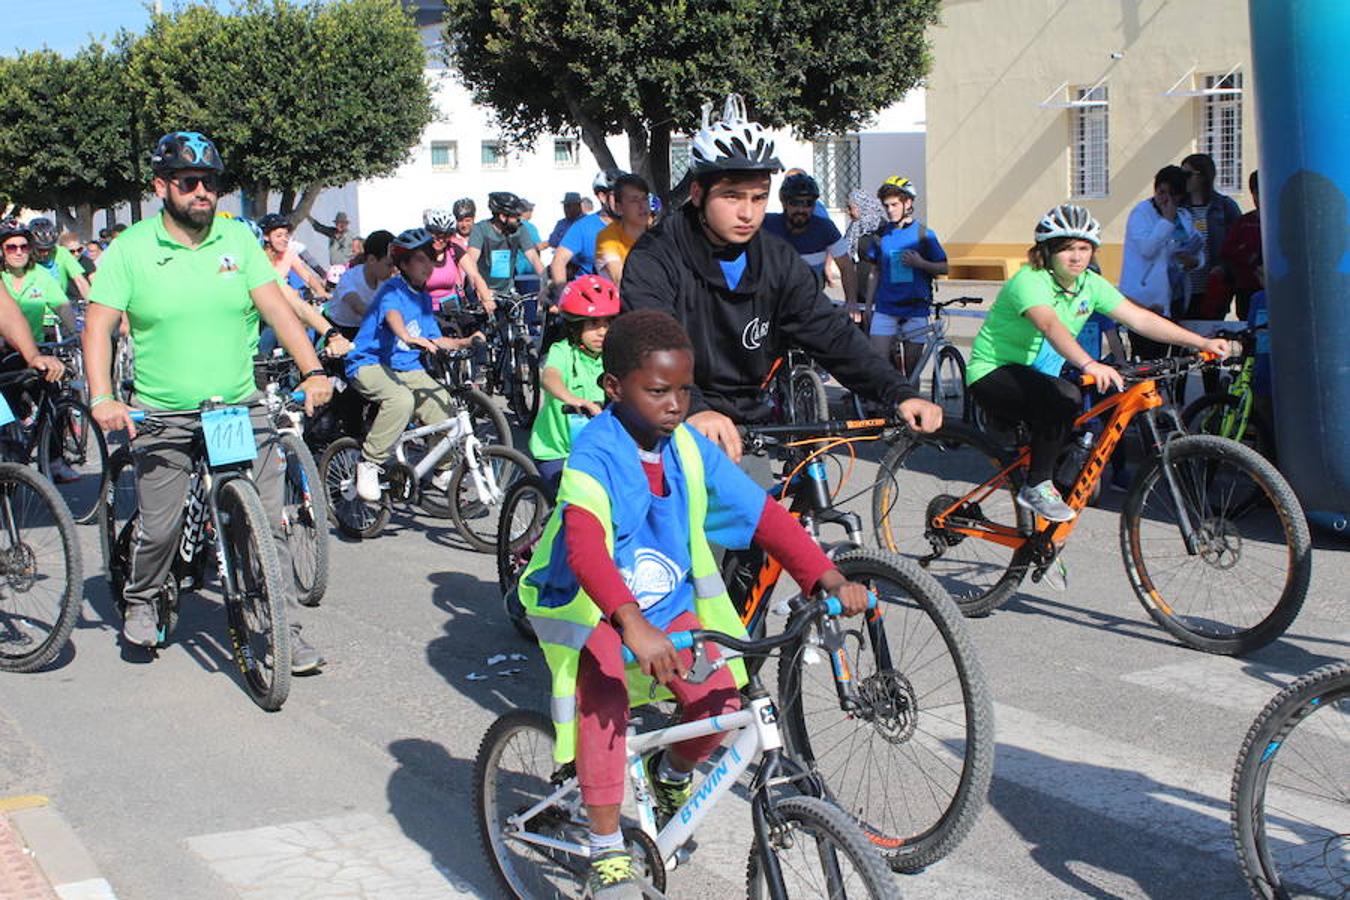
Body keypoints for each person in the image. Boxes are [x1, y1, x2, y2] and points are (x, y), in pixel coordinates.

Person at [517, 309, 871, 898]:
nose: (676, 404)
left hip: (661, 603)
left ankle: (668, 772)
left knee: (718, 699)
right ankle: (606, 852)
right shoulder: (594, 453)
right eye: (658, 391)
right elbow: (584, 551)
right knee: (605, 701)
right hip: (586, 603)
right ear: (613, 388)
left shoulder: (686, 449)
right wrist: (630, 625)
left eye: (684, 389)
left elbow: (763, 516)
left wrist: (825, 576)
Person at [82, 131, 333, 670]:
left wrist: (313, 368)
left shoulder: (237, 241)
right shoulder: (131, 249)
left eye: (211, 183)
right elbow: (98, 327)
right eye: (189, 182)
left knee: (266, 522)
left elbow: (277, 310)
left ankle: (282, 627)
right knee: (162, 526)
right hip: (164, 412)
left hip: (232, 409)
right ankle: (143, 599)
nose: (202, 192)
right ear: (161, 187)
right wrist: (102, 396)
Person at [621, 95, 943, 463]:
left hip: (745, 423)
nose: (748, 213)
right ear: (697, 194)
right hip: (666, 422)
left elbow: (832, 335)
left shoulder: (776, 259)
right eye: (732, 196)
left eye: (759, 198)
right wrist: (693, 408)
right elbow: (647, 344)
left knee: (780, 518)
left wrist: (899, 392)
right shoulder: (656, 256)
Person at [966, 204, 1228, 522]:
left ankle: (1041, 535)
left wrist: (1201, 343)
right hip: (993, 372)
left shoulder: (1089, 284)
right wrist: (1090, 363)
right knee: (1065, 396)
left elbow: (1140, 318)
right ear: (1046, 252)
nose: (1076, 257)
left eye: (1084, 248)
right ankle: (1036, 486)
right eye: (1066, 249)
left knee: (1077, 428)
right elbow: (1050, 325)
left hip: (1039, 377)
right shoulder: (1030, 280)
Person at [344, 228, 479, 502]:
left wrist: (466, 342)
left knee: (444, 405)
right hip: (369, 362)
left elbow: (435, 338)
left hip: (406, 367)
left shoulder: (424, 298)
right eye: (420, 259)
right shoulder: (391, 290)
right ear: (403, 264)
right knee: (401, 400)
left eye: (431, 259)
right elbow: (393, 315)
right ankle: (369, 463)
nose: (428, 265)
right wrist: (406, 336)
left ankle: (442, 471)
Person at [527, 275, 615, 488]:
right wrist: (575, 400)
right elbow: (549, 377)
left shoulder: (614, 354)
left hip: (598, 448)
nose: (602, 332)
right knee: (573, 504)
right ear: (575, 325)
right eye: (593, 324)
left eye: (608, 324)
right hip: (556, 451)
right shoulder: (562, 351)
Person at [864, 176, 949, 376]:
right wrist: (868, 305)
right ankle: (883, 404)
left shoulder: (924, 234)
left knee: (912, 372)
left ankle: (911, 404)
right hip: (886, 308)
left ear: (908, 203)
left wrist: (921, 264)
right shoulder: (881, 234)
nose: (889, 210)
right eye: (886, 206)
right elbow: (874, 271)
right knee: (879, 364)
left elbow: (944, 267)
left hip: (915, 308)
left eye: (894, 204)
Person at [1118, 165, 1203, 359]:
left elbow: (1194, 246)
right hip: (1145, 298)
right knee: (1148, 356)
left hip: (1176, 296)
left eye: (1172, 194)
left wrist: (1195, 261)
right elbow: (1147, 250)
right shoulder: (1142, 213)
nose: (1166, 199)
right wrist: (1166, 220)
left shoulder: (1184, 216)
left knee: (1175, 357)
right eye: (1161, 192)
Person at [761, 172, 855, 301]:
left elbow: (846, 266)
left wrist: (851, 303)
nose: (801, 209)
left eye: (807, 203)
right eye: (794, 203)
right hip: (773, 303)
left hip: (810, 304)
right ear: (784, 203)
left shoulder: (825, 228)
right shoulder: (767, 224)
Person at [462, 192, 548, 315]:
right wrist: (482, 291)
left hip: (507, 292)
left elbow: (534, 257)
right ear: (502, 216)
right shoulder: (480, 230)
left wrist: (546, 281)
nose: (519, 220)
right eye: (516, 217)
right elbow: (471, 262)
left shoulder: (520, 230)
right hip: (482, 291)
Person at [1180, 153, 1243, 320]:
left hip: (1214, 285)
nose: (1182, 179)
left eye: (1187, 174)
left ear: (1202, 176)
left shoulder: (1224, 206)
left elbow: (1238, 243)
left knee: (1209, 334)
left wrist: (1223, 268)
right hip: (1183, 286)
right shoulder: (1178, 207)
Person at [0, 220, 78, 344]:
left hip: (35, 348)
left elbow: (62, 306)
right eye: (11, 248)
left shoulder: (40, 274)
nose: (19, 252)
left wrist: (76, 334)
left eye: (24, 247)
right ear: (2, 251)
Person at [549, 169, 625, 283]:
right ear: (602, 197)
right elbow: (559, 261)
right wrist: (561, 292)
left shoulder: (636, 225)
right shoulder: (583, 227)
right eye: (619, 195)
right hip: (593, 295)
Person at [326, 230, 396, 339]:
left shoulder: (385, 280)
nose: (393, 270)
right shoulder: (350, 278)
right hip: (338, 331)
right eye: (389, 265)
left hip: (365, 327)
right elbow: (358, 307)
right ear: (372, 260)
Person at [594, 174, 651, 287]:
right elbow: (620, 280)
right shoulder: (607, 238)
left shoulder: (659, 236)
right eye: (634, 200)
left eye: (645, 199)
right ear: (619, 208)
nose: (642, 206)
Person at [1221, 170, 1263, 320]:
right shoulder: (1244, 222)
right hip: (1247, 288)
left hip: (1277, 288)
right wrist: (1248, 257)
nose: (1260, 197)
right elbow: (1227, 250)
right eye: (1256, 192)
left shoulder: (1284, 221)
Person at [259, 213, 330, 302]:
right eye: (279, 236)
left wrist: (320, 291)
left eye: (286, 235)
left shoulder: (288, 254)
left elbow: (307, 276)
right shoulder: (258, 258)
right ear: (266, 237)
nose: (284, 239)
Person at [842, 188, 886, 324]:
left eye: (851, 208)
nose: (849, 212)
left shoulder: (882, 227)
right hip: (859, 287)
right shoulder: (856, 227)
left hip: (877, 285)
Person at [28, 217, 91, 304]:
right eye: (40, 250)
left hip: (60, 307)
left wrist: (91, 306)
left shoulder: (61, 252)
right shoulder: (25, 256)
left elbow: (80, 281)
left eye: (49, 249)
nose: (45, 253)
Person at [421, 208, 468, 314]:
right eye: (437, 234)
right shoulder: (419, 253)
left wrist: (485, 297)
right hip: (427, 312)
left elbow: (474, 274)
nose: (441, 240)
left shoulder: (453, 249)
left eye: (446, 235)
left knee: (475, 330)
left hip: (452, 309)